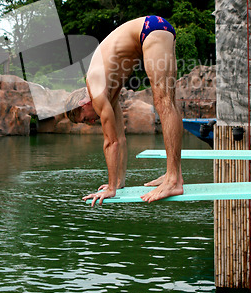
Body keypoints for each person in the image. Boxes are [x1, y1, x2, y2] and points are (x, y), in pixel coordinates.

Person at [65, 16, 183, 206]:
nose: (90, 122)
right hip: (153, 29)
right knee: (169, 102)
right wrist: (118, 183)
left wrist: (110, 189)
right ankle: (173, 175)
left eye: (84, 119)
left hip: (148, 30)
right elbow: (119, 138)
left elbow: (109, 143)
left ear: (82, 103)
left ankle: (173, 179)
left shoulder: (97, 92)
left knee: (164, 102)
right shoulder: (107, 92)